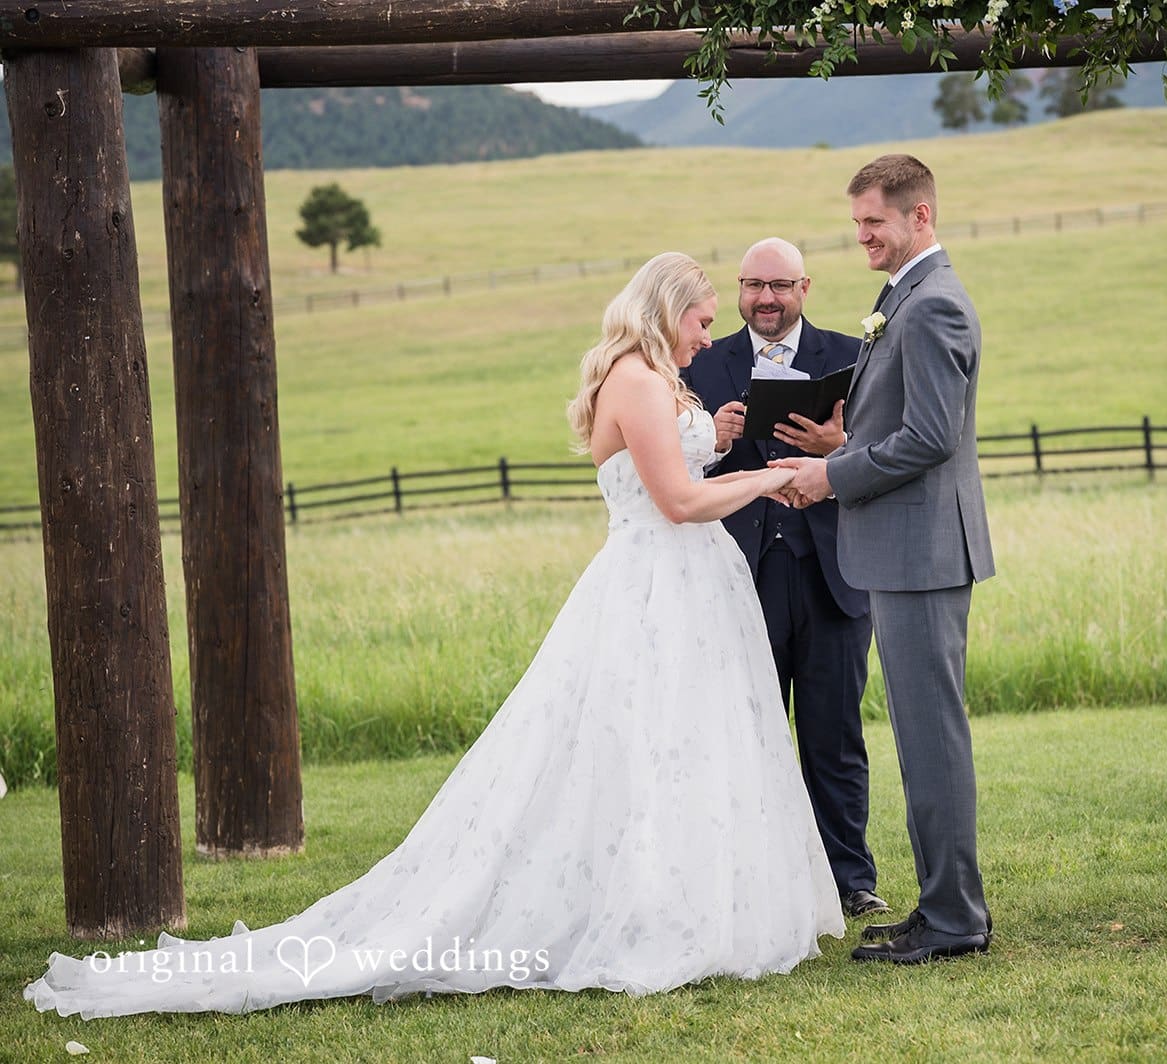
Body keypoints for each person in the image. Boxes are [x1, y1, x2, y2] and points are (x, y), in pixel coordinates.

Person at [24, 252, 844, 1019]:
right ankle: (634, 913)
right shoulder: (633, 379)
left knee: (687, 748)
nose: (711, 334)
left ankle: (689, 901)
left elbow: (688, 479)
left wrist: (738, 460)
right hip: (652, 588)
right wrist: (775, 479)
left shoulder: (659, 377)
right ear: (668, 312)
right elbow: (675, 503)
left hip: (690, 587)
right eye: (702, 319)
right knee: (631, 747)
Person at [776, 154, 995, 965]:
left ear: (921, 217)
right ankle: (940, 905)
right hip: (906, 551)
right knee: (917, 735)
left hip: (922, 554)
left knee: (932, 738)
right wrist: (845, 445)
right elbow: (904, 425)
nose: (861, 236)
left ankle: (955, 921)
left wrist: (831, 473)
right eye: (858, 223)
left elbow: (934, 439)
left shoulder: (933, 305)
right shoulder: (905, 295)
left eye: (874, 222)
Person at [681, 237, 885, 920]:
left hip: (833, 572)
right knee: (747, 733)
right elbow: (674, 468)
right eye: (752, 285)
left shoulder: (853, 358)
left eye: (779, 285)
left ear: (805, 287)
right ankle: (757, 878)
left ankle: (849, 878)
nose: (764, 299)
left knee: (833, 734)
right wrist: (711, 434)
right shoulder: (703, 364)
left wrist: (839, 451)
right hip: (740, 576)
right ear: (739, 291)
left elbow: (885, 455)